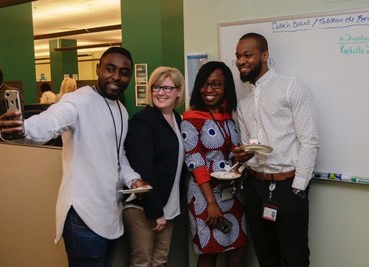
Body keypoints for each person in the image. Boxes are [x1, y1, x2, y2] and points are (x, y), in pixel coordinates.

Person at [0, 47, 149, 267]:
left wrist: (133, 179)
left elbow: (118, 155)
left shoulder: (121, 110)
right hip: (83, 216)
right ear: (98, 69)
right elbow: (50, 122)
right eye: (110, 69)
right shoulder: (77, 100)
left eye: (124, 72)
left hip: (111, 214)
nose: (116, 76)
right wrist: (22, 129)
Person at [233, 32, 320, 267]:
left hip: (288, 187)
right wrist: (242, 156)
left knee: (295, 259)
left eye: (248, 55)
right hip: (256, 187)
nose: (241, 61)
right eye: (238, 56)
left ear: (265, 55)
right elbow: (249, 146)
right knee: (267, 259)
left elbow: (309, 140)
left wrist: (298, 188)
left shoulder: (291, 87)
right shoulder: (244, 103)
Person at [180, 61, 247, 267]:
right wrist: (211, 202)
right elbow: (195, 162)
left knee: (238, 249)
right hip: (204, 195)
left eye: (216, 84)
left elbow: (230, 155)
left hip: (232, 193)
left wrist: (243, 158)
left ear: (226, 87)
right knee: (210, 250)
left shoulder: (229, 118)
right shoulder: (191, 119)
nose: (209, 90)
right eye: (204, 84)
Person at [124, 66, 188, 267]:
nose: (161, 93)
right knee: (143, 262)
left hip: (168, 204)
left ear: (178, 91)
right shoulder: (143, 121)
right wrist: (156, 211)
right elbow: (144, 169)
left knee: (160, 261)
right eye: (156, 87)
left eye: (168, 88)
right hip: (145, 207)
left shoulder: (177, 119)